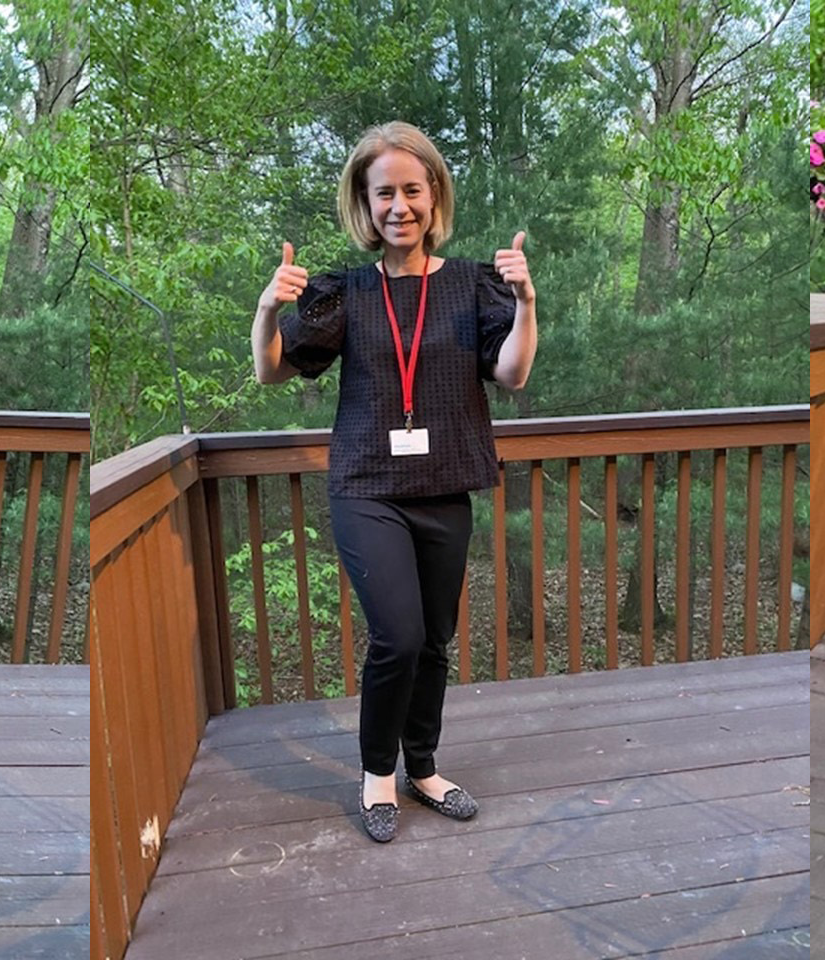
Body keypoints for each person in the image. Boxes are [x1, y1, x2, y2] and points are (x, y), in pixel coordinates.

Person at [251, 121, 538, 842]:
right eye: (385, 193)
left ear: (433, 195)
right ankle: (378, 772)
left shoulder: (475, 285)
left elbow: (511, 373)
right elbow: (272, 369)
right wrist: (267, 310)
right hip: (366, 488)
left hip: (446, 486)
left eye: (413, 189)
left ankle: (424, 766)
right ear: (365, 203)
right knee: (398, 636)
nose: (399, 205)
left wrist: (527, 304)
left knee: (434, 639)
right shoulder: (345, 293)